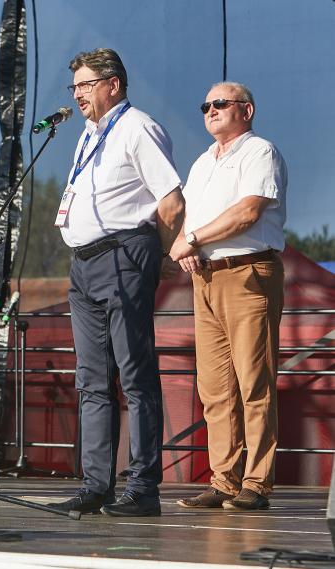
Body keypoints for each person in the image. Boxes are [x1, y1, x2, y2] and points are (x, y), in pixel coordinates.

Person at [48, 49, 185, 517]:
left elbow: (171, 201)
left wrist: (159, 254)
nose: (77, 94)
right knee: (91, 378)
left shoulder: (137, 127)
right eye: (74, 87)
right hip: (84, 264)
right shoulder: (88, 135)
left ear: (113, 85)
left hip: (124, 253)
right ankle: (96, 485)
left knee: (134, 374)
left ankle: (143, 487)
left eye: (86, 85)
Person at [170, 82, 286, 511]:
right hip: (205, 277)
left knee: (254, 382)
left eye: (220, 103)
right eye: (206, 105)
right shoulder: (203, 161)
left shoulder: (259, 151)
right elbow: (188, 218)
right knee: (215, 387)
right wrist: (185, 242)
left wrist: (192, 238)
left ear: (246, 110)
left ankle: (257, 482)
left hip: (247, 273)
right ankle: (224, 480)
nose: (211, 110)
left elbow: (248, 212)